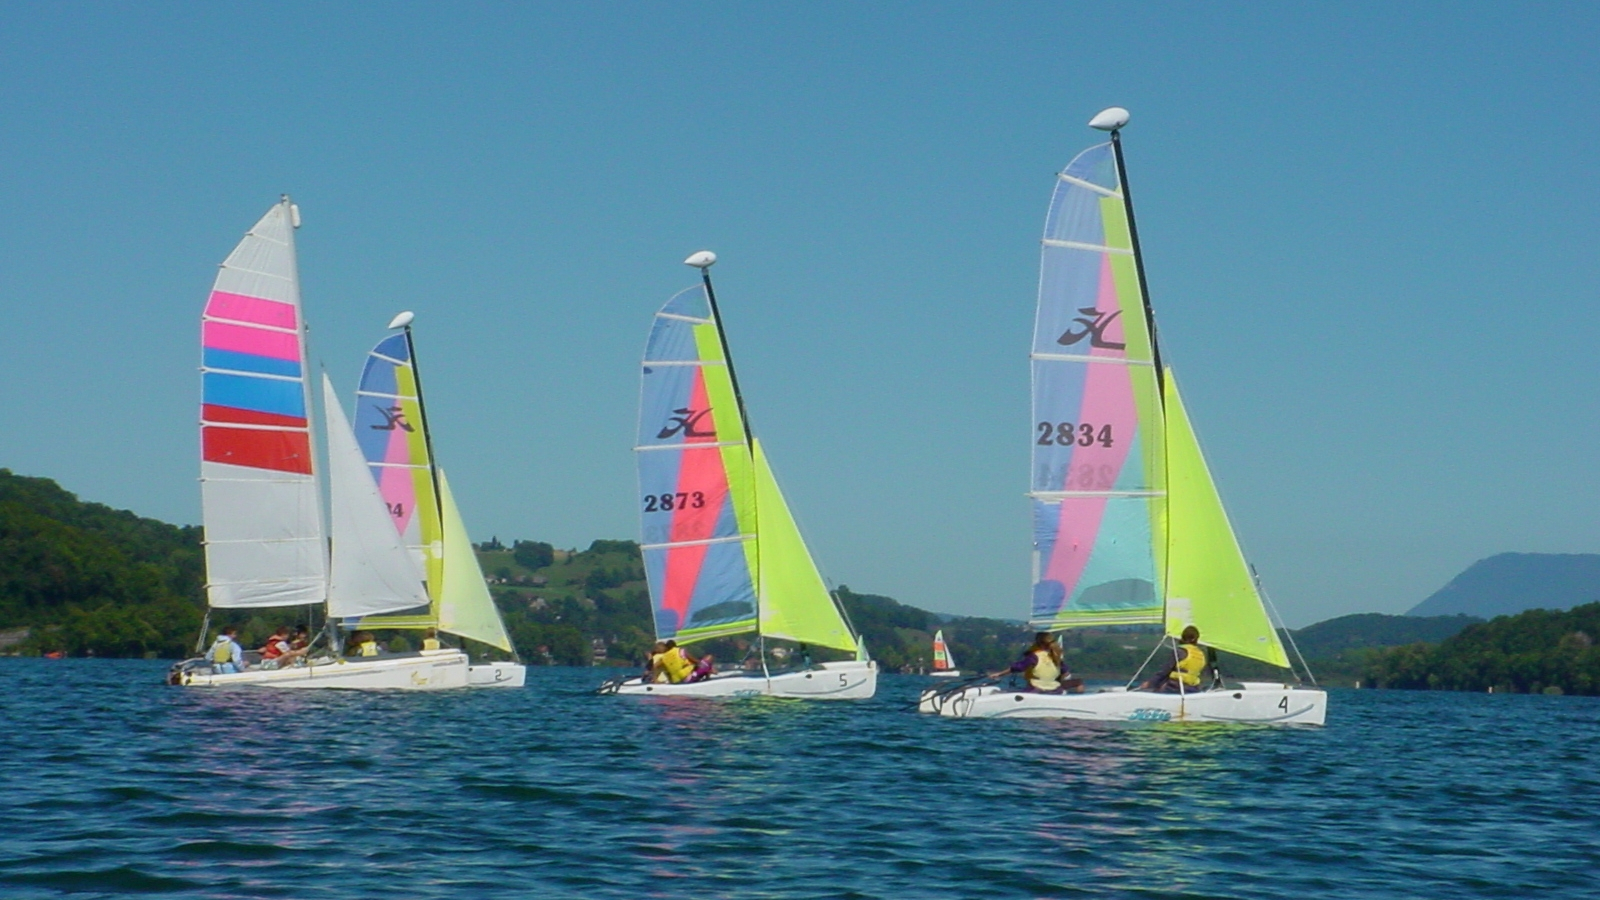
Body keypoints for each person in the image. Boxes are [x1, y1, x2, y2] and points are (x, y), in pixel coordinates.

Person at [994, 632, 1083, 693]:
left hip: (1036, 689)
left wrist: (999, 674)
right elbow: (1066, 673)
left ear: (1038, 643)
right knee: (1078, 682)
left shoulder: (1034, 656)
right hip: (1055, 689)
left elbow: (1018, 667)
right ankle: (1079, 698)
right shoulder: (1056, 656)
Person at [1140, 625, 1208, 692]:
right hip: (1193, 689)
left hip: (1175, 687)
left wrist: (1150, 683)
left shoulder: (1180, 652)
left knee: (1156, 690)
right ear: (1196, 639)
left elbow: (1165, 671)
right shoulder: (1201, 655)